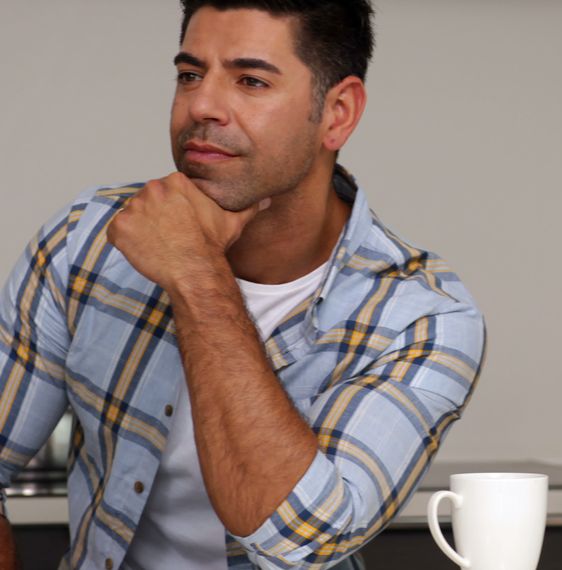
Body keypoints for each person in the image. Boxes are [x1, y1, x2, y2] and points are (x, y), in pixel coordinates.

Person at [0, 1, 485, 568]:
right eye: (189, 75)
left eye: (251, 80)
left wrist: (196, 273)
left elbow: (301, 542)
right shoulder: (85, 239)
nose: (201, 105)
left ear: (338, 113)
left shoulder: (422, 317)